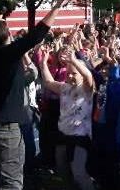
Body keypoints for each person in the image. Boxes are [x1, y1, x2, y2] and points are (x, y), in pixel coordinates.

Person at [0, 0, 76, 190]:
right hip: (7, 128)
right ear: (7, 36)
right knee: (12, 182)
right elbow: (37, 34)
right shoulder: (8, 54)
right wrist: (56, 6)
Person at [39, 45, 96, 190]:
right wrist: (43, 63)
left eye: (74, 74)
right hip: (63, 136)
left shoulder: (86, 89)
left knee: (78, 172)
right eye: (69, 73)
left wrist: (74, 60)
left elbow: (88, 76)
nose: (70, 76)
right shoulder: (64, 88)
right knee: (62, 172)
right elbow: (49, 82)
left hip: (80, 138)